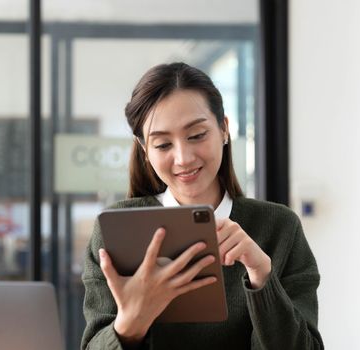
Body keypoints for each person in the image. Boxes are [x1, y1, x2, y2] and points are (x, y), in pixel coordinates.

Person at [81, 62, 324, 349]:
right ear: (145, 150)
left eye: (196, 136)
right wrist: (130, 323)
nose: (183, 158)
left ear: (223, 129)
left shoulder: (279, 228)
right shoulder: (116, 230)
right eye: (162, 145)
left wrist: (262, 278)